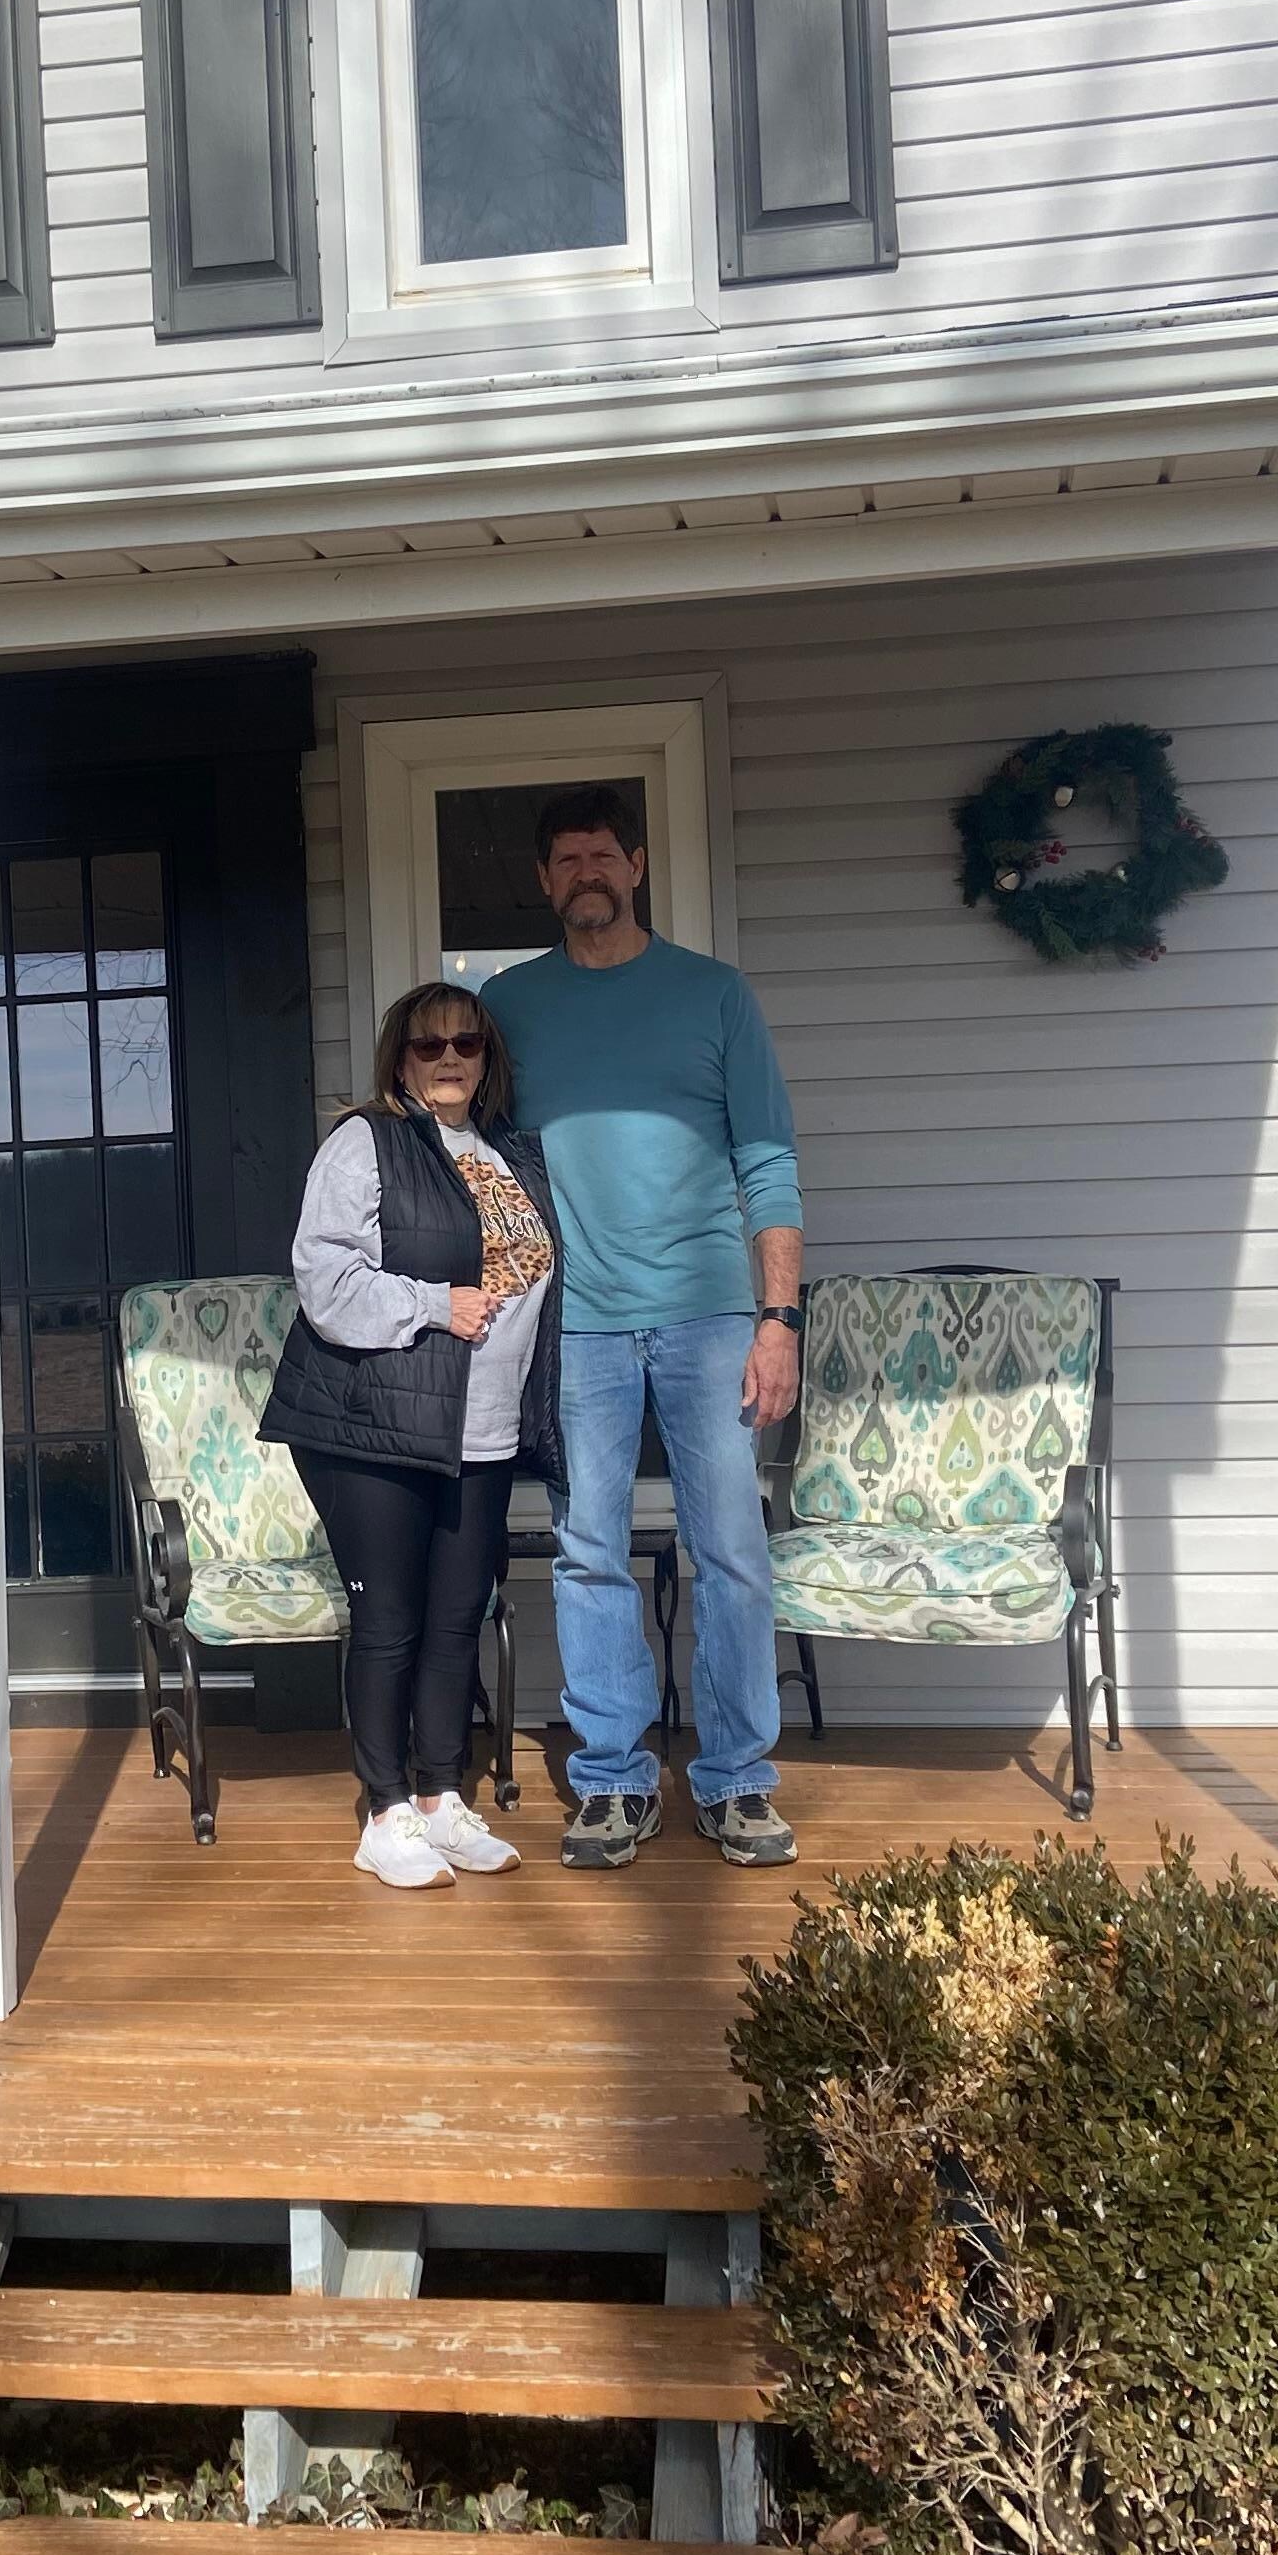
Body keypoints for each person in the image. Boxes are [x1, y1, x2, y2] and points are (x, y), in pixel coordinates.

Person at [482, 783, 805, 1873]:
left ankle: (736, 1781)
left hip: (715, 1316)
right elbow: (468, 1155)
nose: (587, 874)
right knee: (587, 1553)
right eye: (566, 859)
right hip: (577, 1327)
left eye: (603, 856)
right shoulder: (512, 1009)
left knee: (733, 1551)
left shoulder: (714, 996)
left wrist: (780, 1320)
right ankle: (615, 1782)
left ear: (637, 867)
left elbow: (768, 1160)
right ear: (545, 880)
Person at [258, 985, 564, 1892]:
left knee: (455, 1616)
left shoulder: (514, 1154)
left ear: (487, 1055)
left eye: (465, 1042)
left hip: (484, 1428)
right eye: (428, 1045)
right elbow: (325, 1278)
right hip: (378, 1425)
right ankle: (384, 1808)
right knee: (389, 1621)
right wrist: (435, 1304)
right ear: (401, 1059)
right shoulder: (365, 1142)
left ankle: (440, 1797)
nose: (448, 1057)